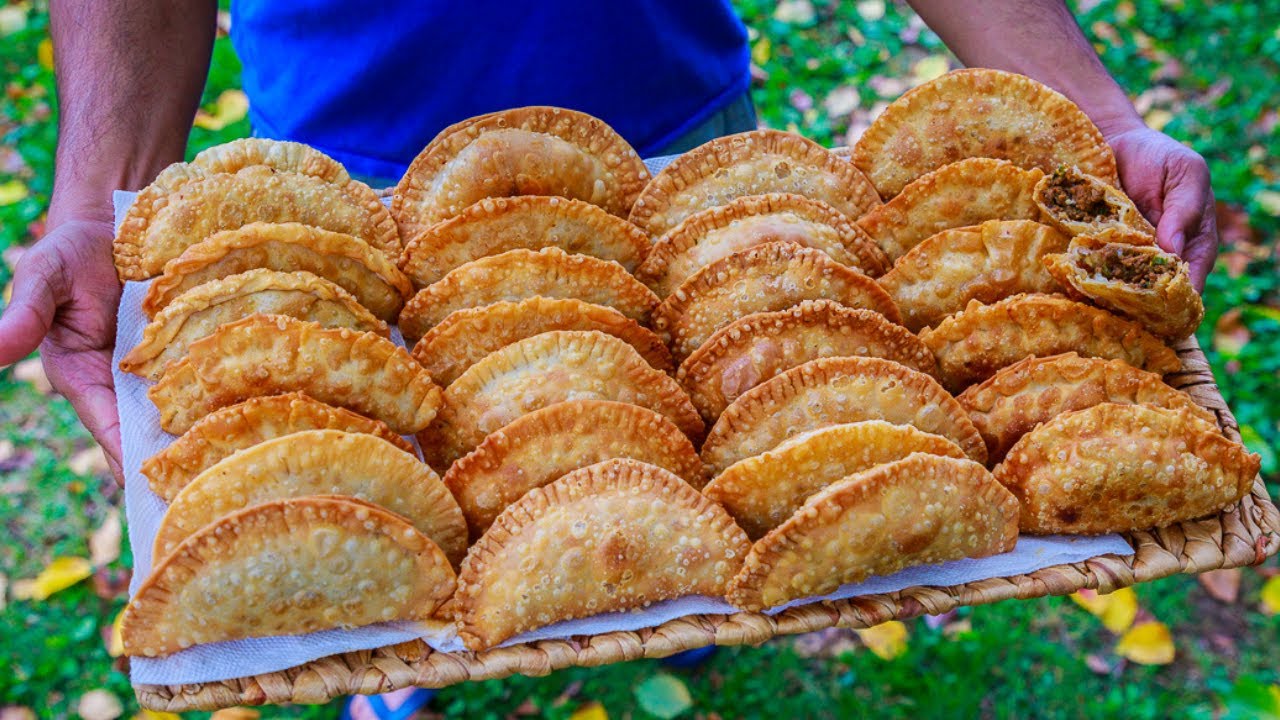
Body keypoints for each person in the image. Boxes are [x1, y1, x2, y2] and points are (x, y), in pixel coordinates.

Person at [0, 1, 1220, 716]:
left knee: (703, 446)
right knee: (373, 501)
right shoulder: (319, 266)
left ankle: (676, 604)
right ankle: (402, 651)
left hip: (696, 171)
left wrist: (1087, 107)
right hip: (330, 206)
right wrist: (96, 209)